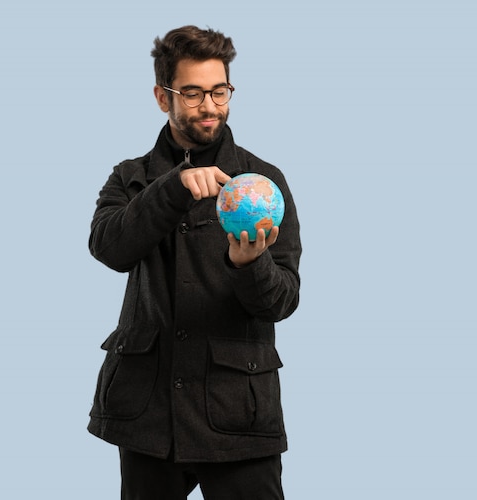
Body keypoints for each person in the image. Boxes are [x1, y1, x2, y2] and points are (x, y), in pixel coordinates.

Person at [87, 25, 302, 500]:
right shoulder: (132, 177)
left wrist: (251, 266)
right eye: (193, 92)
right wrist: (175, 186)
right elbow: (108, 247)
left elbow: (284, 299)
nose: (210, 105)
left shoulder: (264, 181)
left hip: (238, 414)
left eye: (219, 90)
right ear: (164, 98)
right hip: (149, 415)